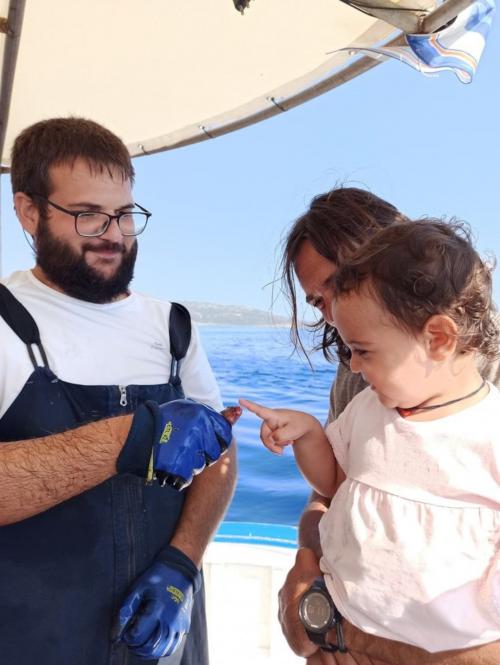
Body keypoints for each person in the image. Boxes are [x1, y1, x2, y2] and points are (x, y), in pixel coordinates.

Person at [0, 117, 238, 665]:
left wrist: (182, 565)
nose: (113, 234)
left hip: (163, 641)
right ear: (29, 212)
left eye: (125, 215)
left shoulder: (173, 327)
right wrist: (128, 440)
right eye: (87, 215)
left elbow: (220, 458)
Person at [243, 218, 500, 660]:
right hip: (342, 636)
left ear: (438, 338)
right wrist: (307, 432)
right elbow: (334, 480)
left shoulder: (489, 435)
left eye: (363, 350)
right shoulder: (369, 408)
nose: (354, 367)